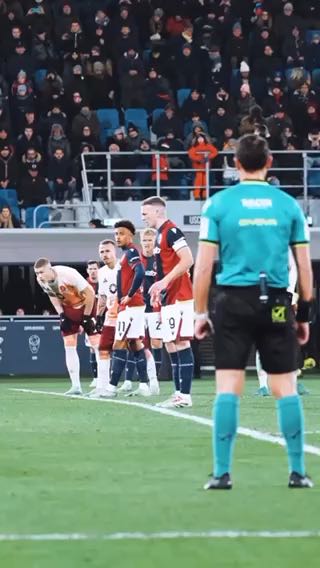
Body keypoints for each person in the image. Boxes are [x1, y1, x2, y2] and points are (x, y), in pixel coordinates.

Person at [193, 134, 313, 490]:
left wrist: (200, 313)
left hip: (232, 302)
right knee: (285, 387)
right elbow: (304, 269)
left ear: (235, 163)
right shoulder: (288, 205)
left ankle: (221, 474)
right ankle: (297, 472)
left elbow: (202, 267)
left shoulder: (218, 204)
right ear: (270, 162)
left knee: (228, 387)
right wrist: (304, 314)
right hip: (276, 302)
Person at [141, 197, 194, 408]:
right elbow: (164, 267)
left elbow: (188, 259)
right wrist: (158, 289)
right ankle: (178, 392)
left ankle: (185, 395)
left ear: (157, 212)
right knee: (171, 344)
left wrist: (163, 282)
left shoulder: (171, 231)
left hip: (180, 296)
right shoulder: (159, 235)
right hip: (169, 298)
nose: (143, 217)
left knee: (181, 342)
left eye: (145, 213)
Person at [34, 258, 99, 395]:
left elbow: (90, 294)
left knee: (96, 344)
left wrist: (87, 317)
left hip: (86, 305)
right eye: (37, 273)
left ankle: (103, 384)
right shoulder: (41, 280)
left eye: (41, 272)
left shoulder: (68, 274)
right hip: (69, 308)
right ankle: (76, 386)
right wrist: (62, 315)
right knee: (69, 344)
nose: (39, 275)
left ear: (50, 268)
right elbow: (53, 296)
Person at [103, 220, 151, 398]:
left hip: (131, 306)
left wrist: (129, 294)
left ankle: (111, 387)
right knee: (134, 344)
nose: (118, 237)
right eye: (116, 234)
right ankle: (145, 385)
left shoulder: (131, 252)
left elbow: (139, 272)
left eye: (121, 233)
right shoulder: (126, 254)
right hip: (133, 306)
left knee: (119, 343)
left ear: (131, 235)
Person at [88, 239, 119, 398]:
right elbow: (103, 296)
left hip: (127, 313)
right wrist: (99, 316)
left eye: (107, 251)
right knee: (103, 349)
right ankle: (103, 386)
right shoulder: (102, 272)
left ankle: (149, 383)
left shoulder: (124, 268)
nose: (104, 255)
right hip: (111, 316)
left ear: (115, 252)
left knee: (137, 349)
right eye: (102, 252)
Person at [86, 260, 100, 389]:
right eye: (90, 269)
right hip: (90, 320)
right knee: (92, 348)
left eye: (95, 268)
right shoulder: (84, 285)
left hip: (104, 319)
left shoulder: (104, 282)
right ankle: (96, 378)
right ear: (87, 271)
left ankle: (106, 377)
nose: (93, 271)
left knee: (105, 348)